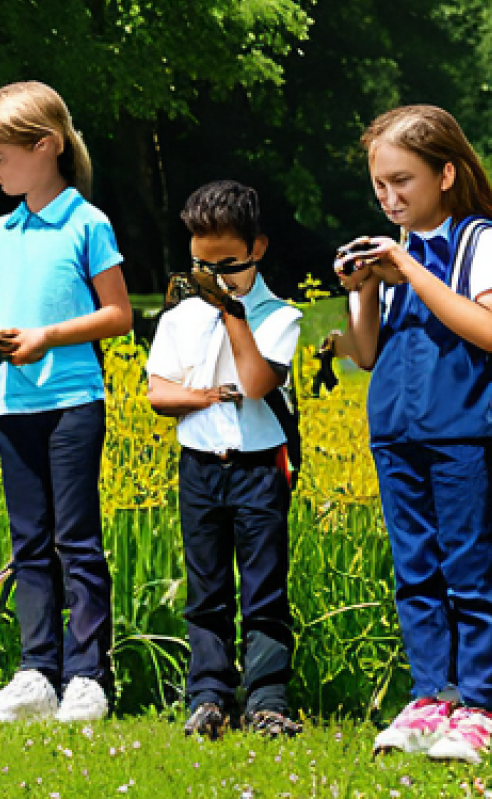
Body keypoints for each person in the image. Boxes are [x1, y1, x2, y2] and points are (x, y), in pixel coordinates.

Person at [333, 104, 492, 764]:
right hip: (395, 432)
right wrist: (361, 289)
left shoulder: (480, 240)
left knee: (468, 569)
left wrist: (406, 268)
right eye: (379, 184)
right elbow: (364, 353)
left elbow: (490, 329)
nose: (388, 197)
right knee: (415, 571)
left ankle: (481, 706)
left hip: (460, 432)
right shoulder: (398, 253)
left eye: (402, 181)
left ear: (445, 174)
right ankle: (432, 698)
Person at [0, 81, 133, 723]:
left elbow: (116, 314)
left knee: (76, 540)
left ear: (47, 146)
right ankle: (37, 673)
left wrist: (47, 337)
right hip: (12, 404)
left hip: (72, 402)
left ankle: (88, 676)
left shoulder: (88, 223)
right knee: (29, 543)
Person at [146, 180, 304, 740]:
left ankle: (268, 698)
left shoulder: (279, 315)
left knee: (264, 588)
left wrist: (233, 312)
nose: (212, 279)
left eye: (227, 265)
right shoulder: (177, 319)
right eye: (200, 267)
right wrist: (207, 395)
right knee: (206, 588)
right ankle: (207, 694)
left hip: (259, 467)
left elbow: (259, 382)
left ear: (257, 248)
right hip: (200, 467)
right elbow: (159, 393)